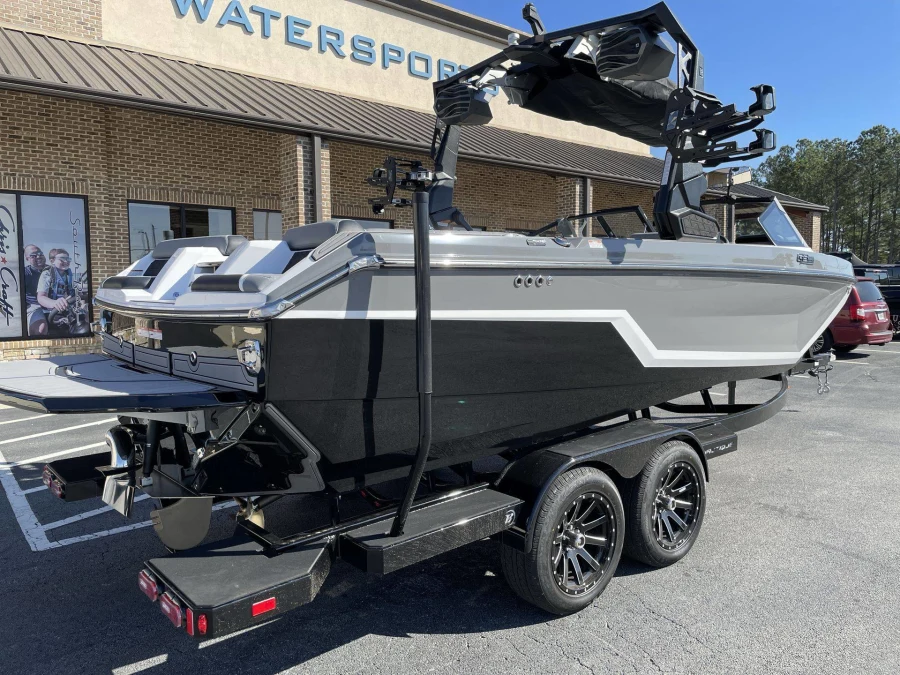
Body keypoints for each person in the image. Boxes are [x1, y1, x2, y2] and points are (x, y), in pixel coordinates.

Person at [37, 248, 75, 335]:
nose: (66, 261)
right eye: (62, 259)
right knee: (43, 329)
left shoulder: (68, 274)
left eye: (68, 259)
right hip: (49, 312)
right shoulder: (47, 274)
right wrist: (54, 303)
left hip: (65, 310)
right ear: (52, 261)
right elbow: (41, 297)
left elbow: (71, 293)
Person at [23, 244, 48, 336]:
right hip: (35, 306)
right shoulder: (25, 273)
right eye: (33, 255)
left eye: (40, 253)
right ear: (27, 259)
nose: (38, 256)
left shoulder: (53, 271)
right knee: (40, 329)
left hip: (54, 304)